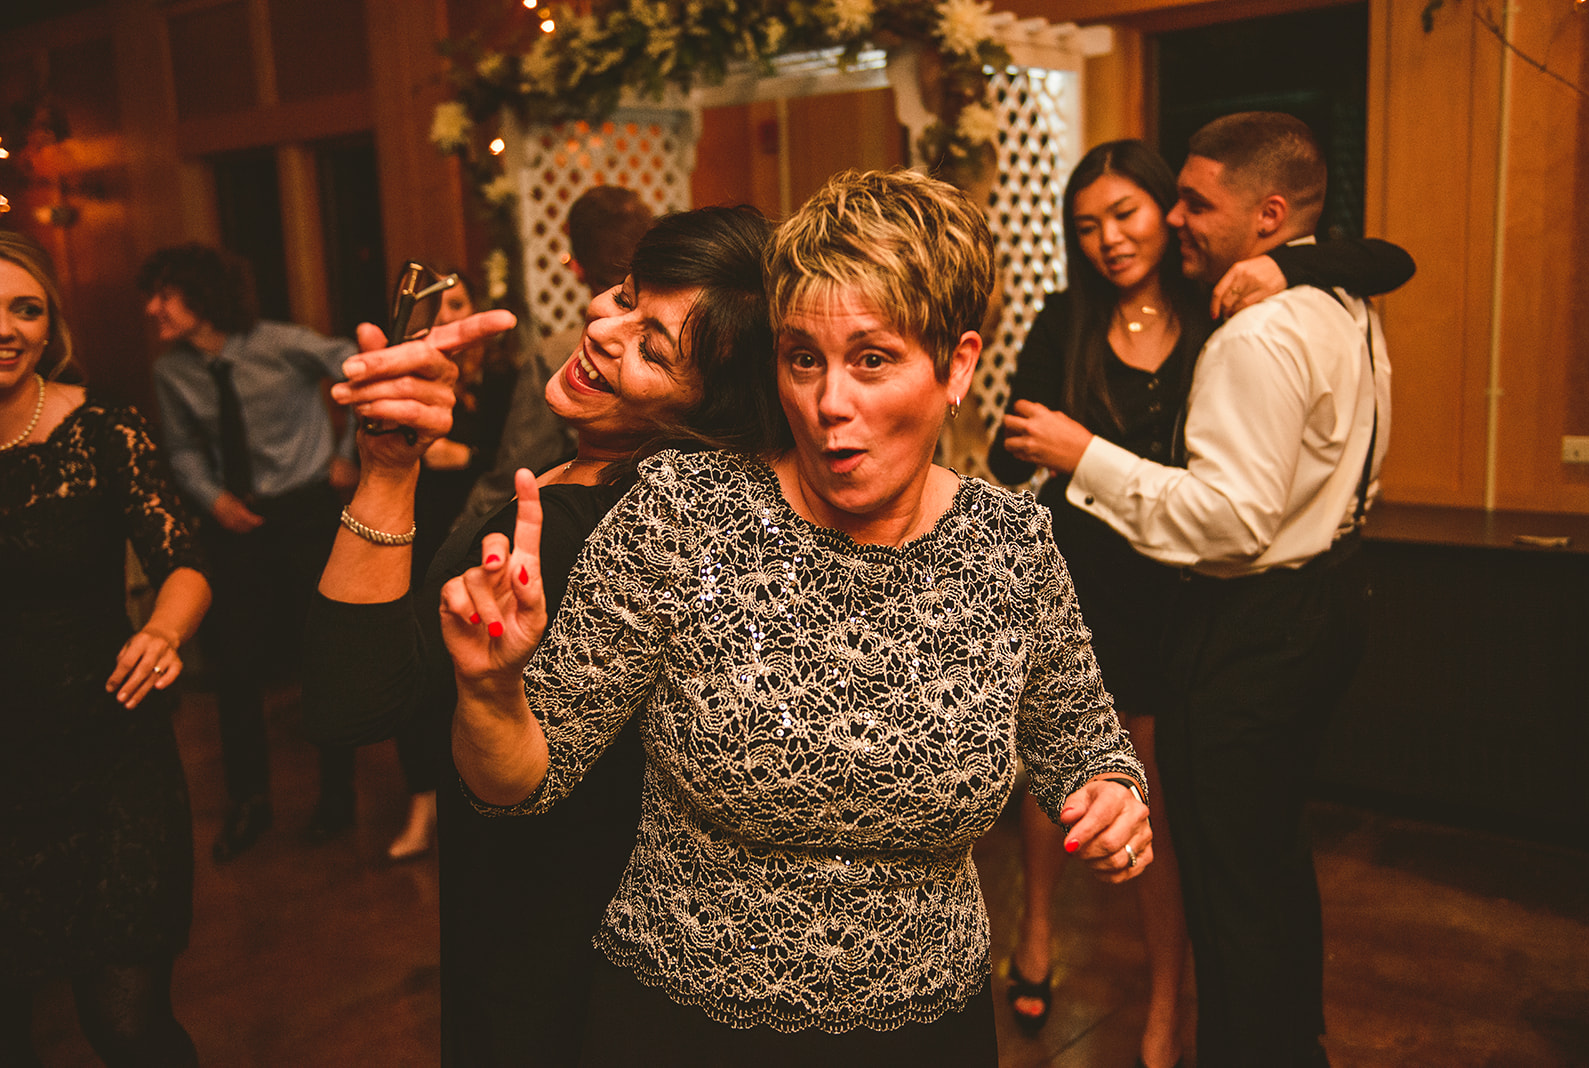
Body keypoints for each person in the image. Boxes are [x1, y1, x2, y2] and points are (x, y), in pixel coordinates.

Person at [442, 169, 1152, 1066]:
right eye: (802, 358)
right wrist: (491, 691)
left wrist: (1114, 798)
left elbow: (1085, 739)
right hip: (679, 1027)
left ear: (958, 364)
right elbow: (518, 781)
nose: (829, 405)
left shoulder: (1010, 546)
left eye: (873, 359)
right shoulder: (682, 510)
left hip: (926, 1032)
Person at [301, 205, 782, 1066]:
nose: (602, 329)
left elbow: (353, 700)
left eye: (654, 346)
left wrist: (386, 472)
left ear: (714, 407)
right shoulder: (600, 475)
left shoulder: (588, 528)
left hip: (557, 919)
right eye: (623, 296)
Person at [988, 139, 1414, 1066]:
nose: (1116, 237)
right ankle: (1036, 938)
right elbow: (1010, 452)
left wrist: (1281, 261)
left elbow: (1387, 260)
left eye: (1136, 211)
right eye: (1087, 224)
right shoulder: (1068, 318)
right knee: (1055, 778)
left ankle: (1168, 1011)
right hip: (1084, 579)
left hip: (1180, 590)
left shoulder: (1226, 306)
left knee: (1175, 821)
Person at [1, 230, 211, 1065]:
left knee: (126, 1024)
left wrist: (163, 628)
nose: (8, 328)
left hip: (108, 754)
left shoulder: (105, 429)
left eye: (26, 308)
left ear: (51, 328)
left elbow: (185, 563)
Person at [139, 243, 360, 861]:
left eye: (164, 293)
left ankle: (337, 796)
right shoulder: (171, 370)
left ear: (203, 295)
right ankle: (248, 804)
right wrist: (212, 501)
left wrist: (347, 456)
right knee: (235, 668)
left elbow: (360, 370)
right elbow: (181, 448)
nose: (152, 309)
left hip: (305, 515)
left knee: (322, 658)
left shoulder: (281, 343)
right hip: (232, 526)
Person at [386, 268, 518, 860]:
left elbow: (525, 456)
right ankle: (421, 802)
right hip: (416, 536)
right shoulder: (404, 385)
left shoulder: (506, 380)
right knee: (411, 669)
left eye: (457, 304)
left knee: (469, 673)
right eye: (433, 310)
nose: (446, 319)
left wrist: (465, 453)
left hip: (480, 535)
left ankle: (469, 799)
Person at [458, 184, 654, 522]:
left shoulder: (556, 357)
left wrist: (453, 544)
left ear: (576, 268)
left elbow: (512, 478)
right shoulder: (682, 351)